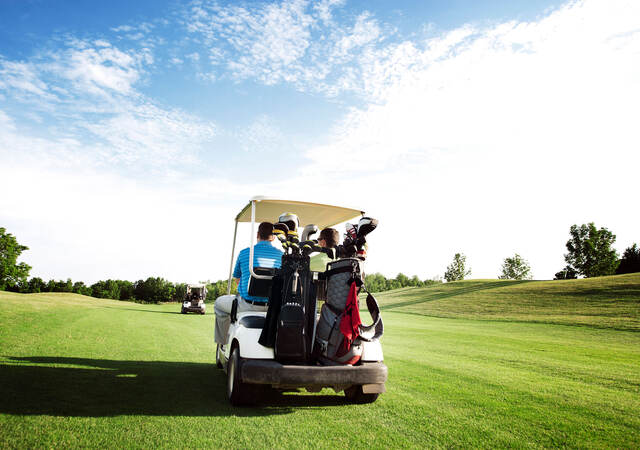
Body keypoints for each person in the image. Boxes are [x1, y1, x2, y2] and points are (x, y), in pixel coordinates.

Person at [214, 222, 284, 344]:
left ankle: (223, 343)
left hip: (247, 305)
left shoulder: (245, 253)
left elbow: (237, 278)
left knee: (219, 304)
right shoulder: (282, 256)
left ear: (257, 234)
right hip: (273, 307)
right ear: (273, 237)